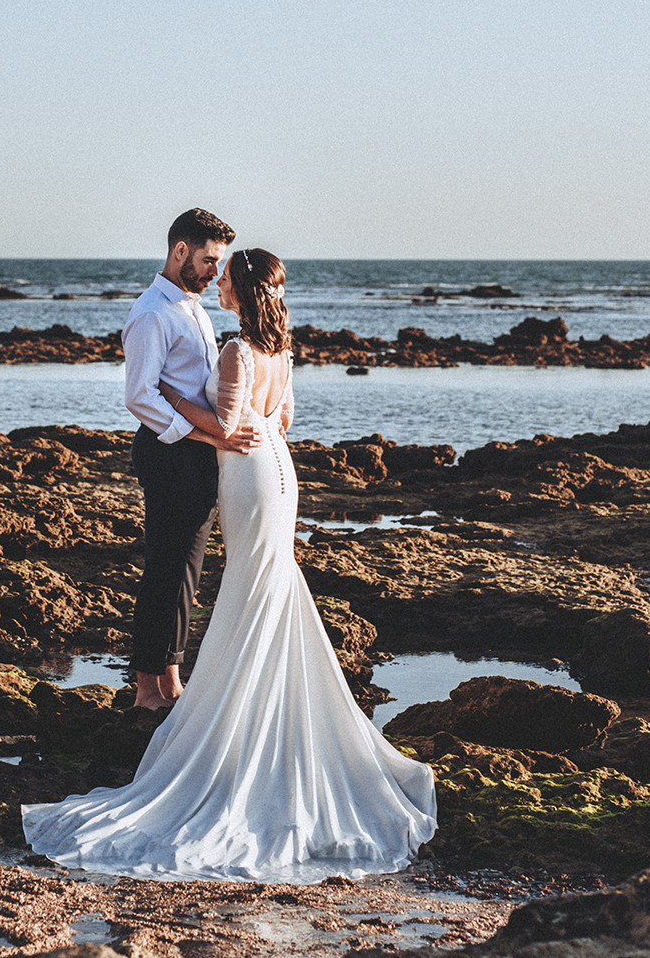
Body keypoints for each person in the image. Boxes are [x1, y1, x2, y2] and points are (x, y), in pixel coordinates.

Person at [22, 248, 437, 882]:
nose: (216, 284)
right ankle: (264, 712)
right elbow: (282, 420)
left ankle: (237, 722)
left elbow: (228, 425)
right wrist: (245, 429)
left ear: (238, 290)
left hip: (246, 472)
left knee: (251, 586)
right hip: (280, 470)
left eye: (224, 277)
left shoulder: (240, 351)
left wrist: (165, 393)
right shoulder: (284, 352)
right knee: (269, 584)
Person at [117, 208, 255, 712]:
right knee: (165, 568)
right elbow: (140, 396)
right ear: (180, 251)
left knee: (186, 570)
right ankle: (146, 691)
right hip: (168, 451)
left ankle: (170, 678)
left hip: (194, 450)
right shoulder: (152, 312)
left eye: (218, 262)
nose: (216, 272)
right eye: (208, 260)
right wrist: (205, 436)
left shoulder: (193, 307)